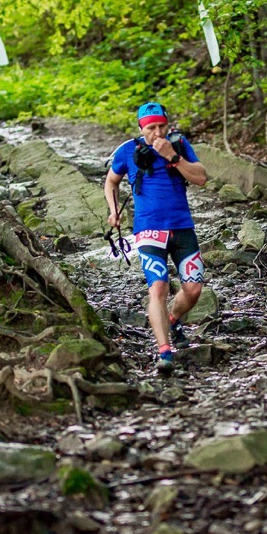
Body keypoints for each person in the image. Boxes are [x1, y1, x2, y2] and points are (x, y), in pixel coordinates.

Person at [105, 102, 209, 374]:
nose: (158, 132)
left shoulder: (179, 144)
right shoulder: (127, 150)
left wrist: (172, 156)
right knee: (158, 287)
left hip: (182, 226)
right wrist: (114, 211)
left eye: (162, 126)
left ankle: (173, 318)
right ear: (141, 128)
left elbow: (201, 178)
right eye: (151, 127)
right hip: (148, 229)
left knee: (194, 289)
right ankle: (165, 352)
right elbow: (111, 181)